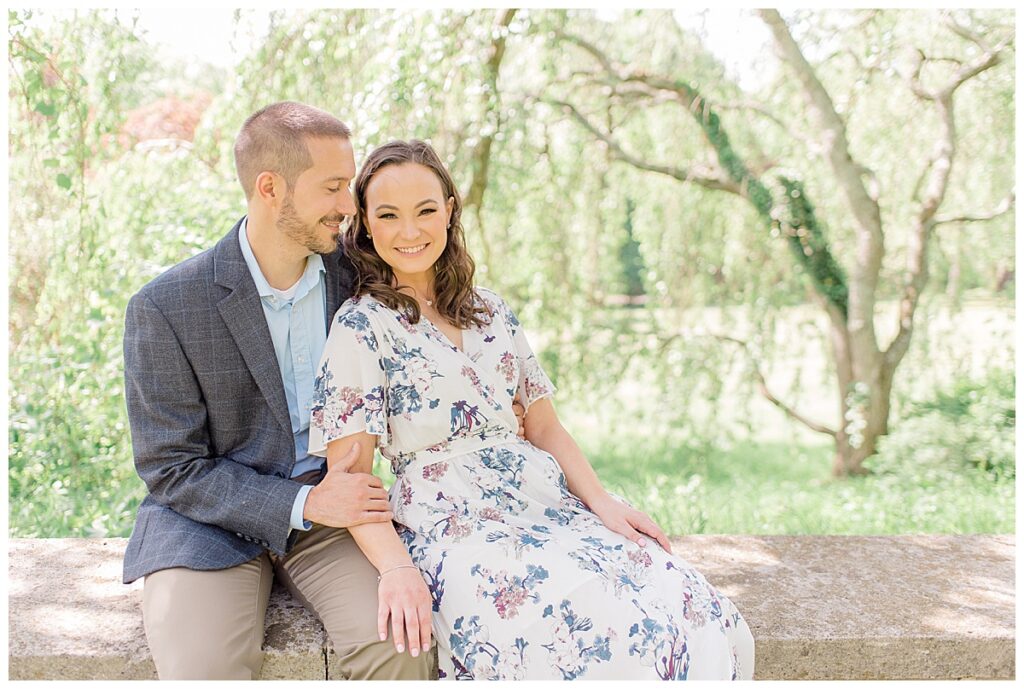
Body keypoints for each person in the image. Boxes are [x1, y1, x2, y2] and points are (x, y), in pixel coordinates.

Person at [308, 139, 756, 680]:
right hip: (454, 524)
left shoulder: (491, 311)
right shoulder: (361, 326)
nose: (410, 231)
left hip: (543, 502)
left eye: (426, 210)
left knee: (693, 608)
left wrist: (603, 502)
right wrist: (396, 568)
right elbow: (351, 475)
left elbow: (543, 425)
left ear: (450, 211)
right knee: (590, 632)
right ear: (366, 225)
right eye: (389, 215)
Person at [122, 102, 443, 680]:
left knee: (405, 645)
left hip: (338, 517)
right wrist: (301, 503)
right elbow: (171, 468)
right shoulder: (165, 308)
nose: (350, 207)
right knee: (202, 671)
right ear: (271, 188)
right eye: (334, 188)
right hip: (206, 525)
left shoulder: (363, 278)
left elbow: (447, 329)